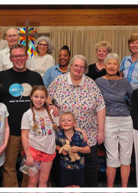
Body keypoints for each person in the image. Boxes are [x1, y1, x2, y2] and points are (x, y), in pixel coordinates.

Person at [0, 44, 51, 187]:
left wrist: (51, 104)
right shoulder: (2, 76)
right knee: (9, 167)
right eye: (15, 56)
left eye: (21, 55)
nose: (19, 58)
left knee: (31, 166)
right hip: (9, 131)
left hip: (32, 132)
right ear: (10, 58)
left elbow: (44, 97)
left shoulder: (35, 77)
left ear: (27, 57)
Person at [47, 55, 106, 187]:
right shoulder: (59, 81)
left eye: (81, 67)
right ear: (70, 66)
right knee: (63, 168)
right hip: (64, 135)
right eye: (76, 65)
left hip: (87, 134)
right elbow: (46, 95)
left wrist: (101, 131)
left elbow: (101, 107)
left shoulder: (90, 83)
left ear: (85, 69)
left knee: (89, 167)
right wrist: (51, 104)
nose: (78, 69)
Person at [95, 53, 133, 187]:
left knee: (126, 156)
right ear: (104, 65)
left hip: (126, 121)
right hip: (108, 121)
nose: (112, 66)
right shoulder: (98, 82)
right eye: (109, 64)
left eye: (115, 64)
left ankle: (124, 188)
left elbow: (134, 98)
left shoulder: (124, 82)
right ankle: (110, 188)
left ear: (118, 66)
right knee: (112, 157)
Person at [21, 85, 58, 187]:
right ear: (31, 97)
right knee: (33, 181)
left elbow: (64, 124)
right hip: (33, 152)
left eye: (42, 97)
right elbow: (24, 136)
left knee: (44, 180)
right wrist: (28, 155)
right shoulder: (27, 114)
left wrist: (80, 130)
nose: (39, 100)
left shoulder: (51, 112)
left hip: (49, 151)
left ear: (46, 98)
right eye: (36, 97)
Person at [55, 112, 90, 188]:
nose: (66, 122)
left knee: (77, 187)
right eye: (63, 120)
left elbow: (88, 150)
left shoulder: (79, 134)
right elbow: (55, 145)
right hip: (65, 166)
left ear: (74, 123)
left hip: (79, 166)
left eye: (69, 120)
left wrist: (79, 149)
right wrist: (60, 149)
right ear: (60, 123)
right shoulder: (58, 135)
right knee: (66, 187)